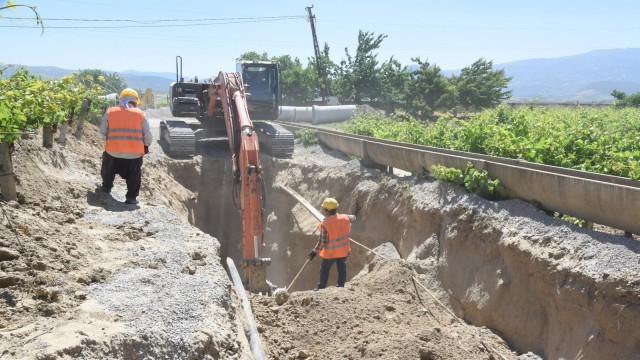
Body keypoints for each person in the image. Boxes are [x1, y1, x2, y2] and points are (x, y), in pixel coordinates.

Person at [98, 88, 153, 205]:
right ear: (135, 101)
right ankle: (131, 198)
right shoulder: (141, 114)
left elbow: (102, 132)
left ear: (121, 99)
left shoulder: (110, 112)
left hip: (113, 151)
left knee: (108, 169)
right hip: (134, 154)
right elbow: (147, 135)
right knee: (134, 175)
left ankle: (106, 187)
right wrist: (146, 146)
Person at [307, 197, 356, 290]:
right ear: (336, 208)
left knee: (325, 269)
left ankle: (321, 287)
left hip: (331, 253)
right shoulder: (345, 217)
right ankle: (341, 286)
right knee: (342, 269)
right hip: (343, 251)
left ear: (325, 210)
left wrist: (314, 251)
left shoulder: (325, 224)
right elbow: (353, 217)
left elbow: (322, 241)